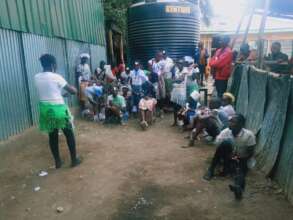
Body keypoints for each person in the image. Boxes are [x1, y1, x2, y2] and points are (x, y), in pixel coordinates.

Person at [34, 54, 81, 169]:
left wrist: (60, 94)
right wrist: (74, 88)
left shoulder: (36, 77)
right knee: (69, 134)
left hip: (46, 111)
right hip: (59, 110)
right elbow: (73, 91)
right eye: (55, 64)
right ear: (52, 64)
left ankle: (58, 162)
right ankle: (74, 160)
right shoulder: (56, 77)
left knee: (53, 136)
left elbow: (50, 92)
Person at [203, 114, 256, 199]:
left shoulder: (249, 135)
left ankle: (238, 187)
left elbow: (250, 152)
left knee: (241, 170)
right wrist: (229, 152)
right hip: (228, 156)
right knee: (226, 143)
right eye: (230, 121)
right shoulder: (226, 132)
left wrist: (239, 157)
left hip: (243, 157)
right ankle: (211, 169)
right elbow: (217, 146)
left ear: (241, 124)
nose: (229, 123)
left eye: (233, 121)